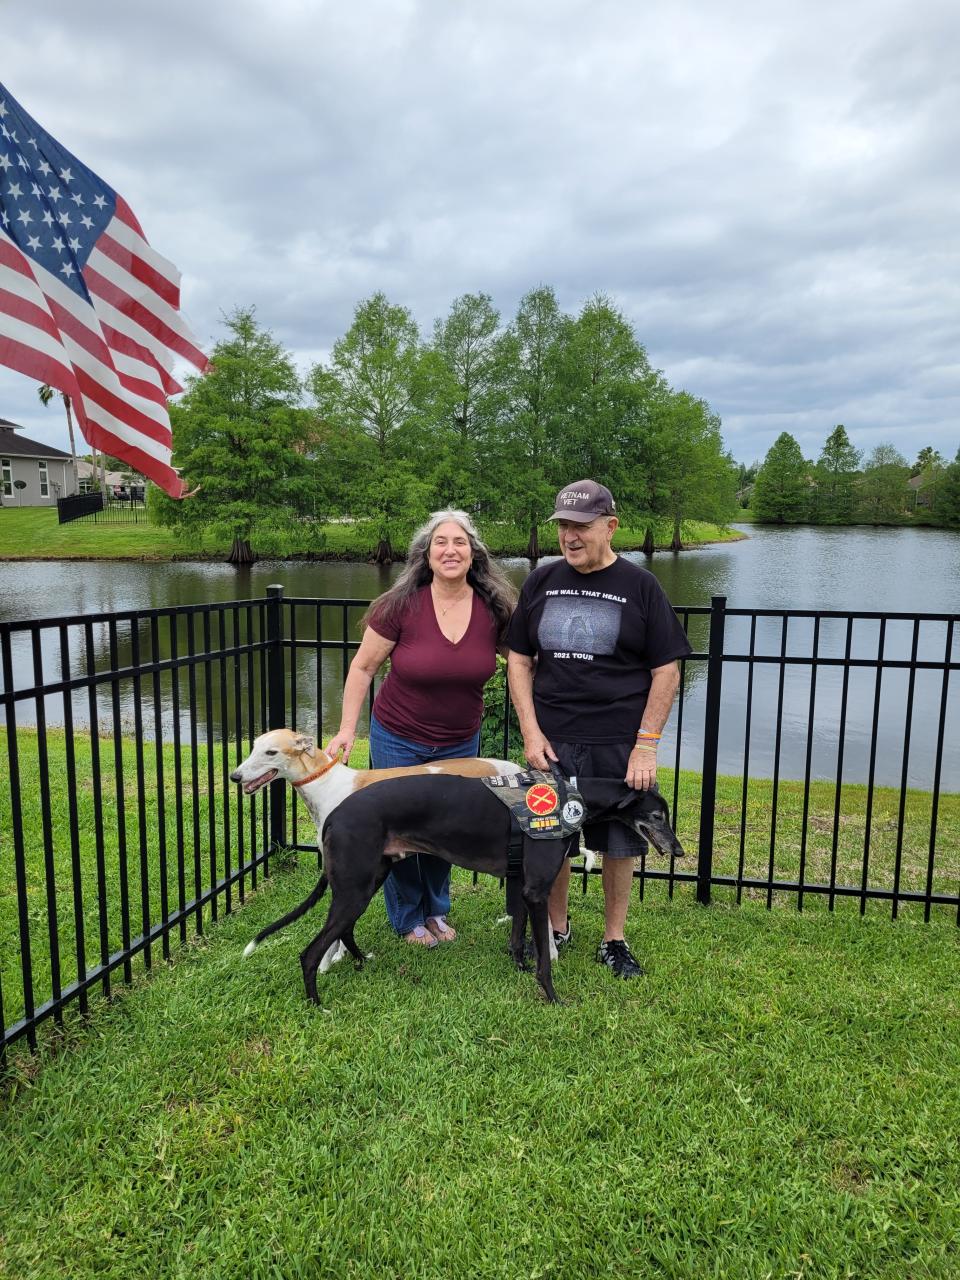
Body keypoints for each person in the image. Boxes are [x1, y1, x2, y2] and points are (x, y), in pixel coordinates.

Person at [506, 479, 691, 978]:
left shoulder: (640, 587)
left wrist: (646, 747)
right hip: (552, 739)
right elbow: (519, 659)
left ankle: (614, 939)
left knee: (617, 842)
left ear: (609, 527)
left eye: (581, 526)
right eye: (564, 525)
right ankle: (557, 927)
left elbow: (667, 669)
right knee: (552, 836)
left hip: (618, 743)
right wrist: (530, 730)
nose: (570, 536)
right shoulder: (540, 581)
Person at [326, 510, 517, 947]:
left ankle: (436, 909)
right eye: (440, 543)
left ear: (474, 553)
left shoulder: (495, 610)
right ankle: (408, 916)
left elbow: (522, 666)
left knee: (447, 828)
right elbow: (363, 668)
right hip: (398, 738)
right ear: (426, 555)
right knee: (400, 830)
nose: (450, 550)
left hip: (459, 742)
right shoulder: (401, 606)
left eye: (460, 542)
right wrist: (346, 730)